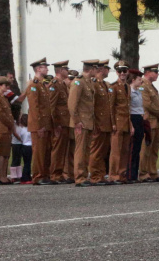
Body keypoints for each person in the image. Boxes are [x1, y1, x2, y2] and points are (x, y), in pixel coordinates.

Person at [25, 58, 55, 185]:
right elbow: (34, 107)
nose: (47, 69)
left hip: (46, 124)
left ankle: (45, 174)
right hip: (39, 125)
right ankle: (38, 176)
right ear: (38, 69)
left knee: (46, 151)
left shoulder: (42, 85)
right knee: (39, 152)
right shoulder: (33, 85)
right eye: (44, 67)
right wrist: (39, 126)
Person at [69, 59, 98, 187]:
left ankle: (84, 175)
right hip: (81, 122)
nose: (96, 71)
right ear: (90, 69)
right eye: (95, 69)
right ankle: (79, 177)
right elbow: (72, 104)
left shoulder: (89, 82)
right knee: (80, 150)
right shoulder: (78, 82)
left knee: (86, 150)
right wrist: (76, 121)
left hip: (88, 122)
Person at [139, 64, 159, 183]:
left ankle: (152, 172)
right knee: (146, 149)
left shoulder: (151, 86)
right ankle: (143, 173)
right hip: (149, 120)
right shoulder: (143, 85)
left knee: (154, 149)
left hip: (155, 122)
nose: (157, 74)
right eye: (155, 72)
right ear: (148, 72)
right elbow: (147, 104)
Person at [89, 60, 114, 186]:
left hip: (106, 123)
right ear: (100, 69)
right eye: (106, 68)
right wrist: (94, 123)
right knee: (96, 151)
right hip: (98, 123)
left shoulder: (104, 84)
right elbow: (92, 105)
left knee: (103, 151)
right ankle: (95, 176)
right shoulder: (94, 84)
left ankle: (101, 174)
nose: (108, 71)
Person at [108, 61, 132, 184]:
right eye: (120, 71)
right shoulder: (113, 87)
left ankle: (122, 174)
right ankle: (114, 175)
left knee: (124, 151)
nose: (122, 73)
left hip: (126, 123)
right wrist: (112, 123)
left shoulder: (127, 86)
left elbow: (128, 108)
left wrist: (131, 125)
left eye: (124, 71)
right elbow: (111, 107)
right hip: (117, 122)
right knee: (116, 151)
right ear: (117, 72)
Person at [49, 60, 73, 183]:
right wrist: (55, 124)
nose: (67, 71)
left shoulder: (62, 84)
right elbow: (51, 106)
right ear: (60, 71)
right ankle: (54, 174)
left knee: (62, 150)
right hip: (59, 123)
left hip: (65, 122)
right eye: (66, 69)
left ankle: (60, 173)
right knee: (57, 150)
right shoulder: (54, 84)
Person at [0, 76, 17, 185]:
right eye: (5, 85)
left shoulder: (4, 98)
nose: (7, 87)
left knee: (6, 153)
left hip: (6, 129)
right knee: (1, 153)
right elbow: (0, 114)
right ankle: (0, 177)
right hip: (0, 128)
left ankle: (3, 176)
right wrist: (11, 124)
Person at [128, 69, 146, 182]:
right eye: (139, 79)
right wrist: (131, 125)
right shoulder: (130, 92)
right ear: (133, 80)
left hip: (139, 118)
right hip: (133, 118)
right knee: (132, 148)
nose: (141, 82)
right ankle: (129, 174)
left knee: (138, 147)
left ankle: (134, 174)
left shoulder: (138, 92)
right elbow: (128, 108)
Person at [11, 115, 32, 183]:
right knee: (28, 163)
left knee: (26, 162)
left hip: (23, 146)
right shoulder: (29, 130)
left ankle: (26, 177)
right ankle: (25, 178)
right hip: (29, 146)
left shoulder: (21, 129)